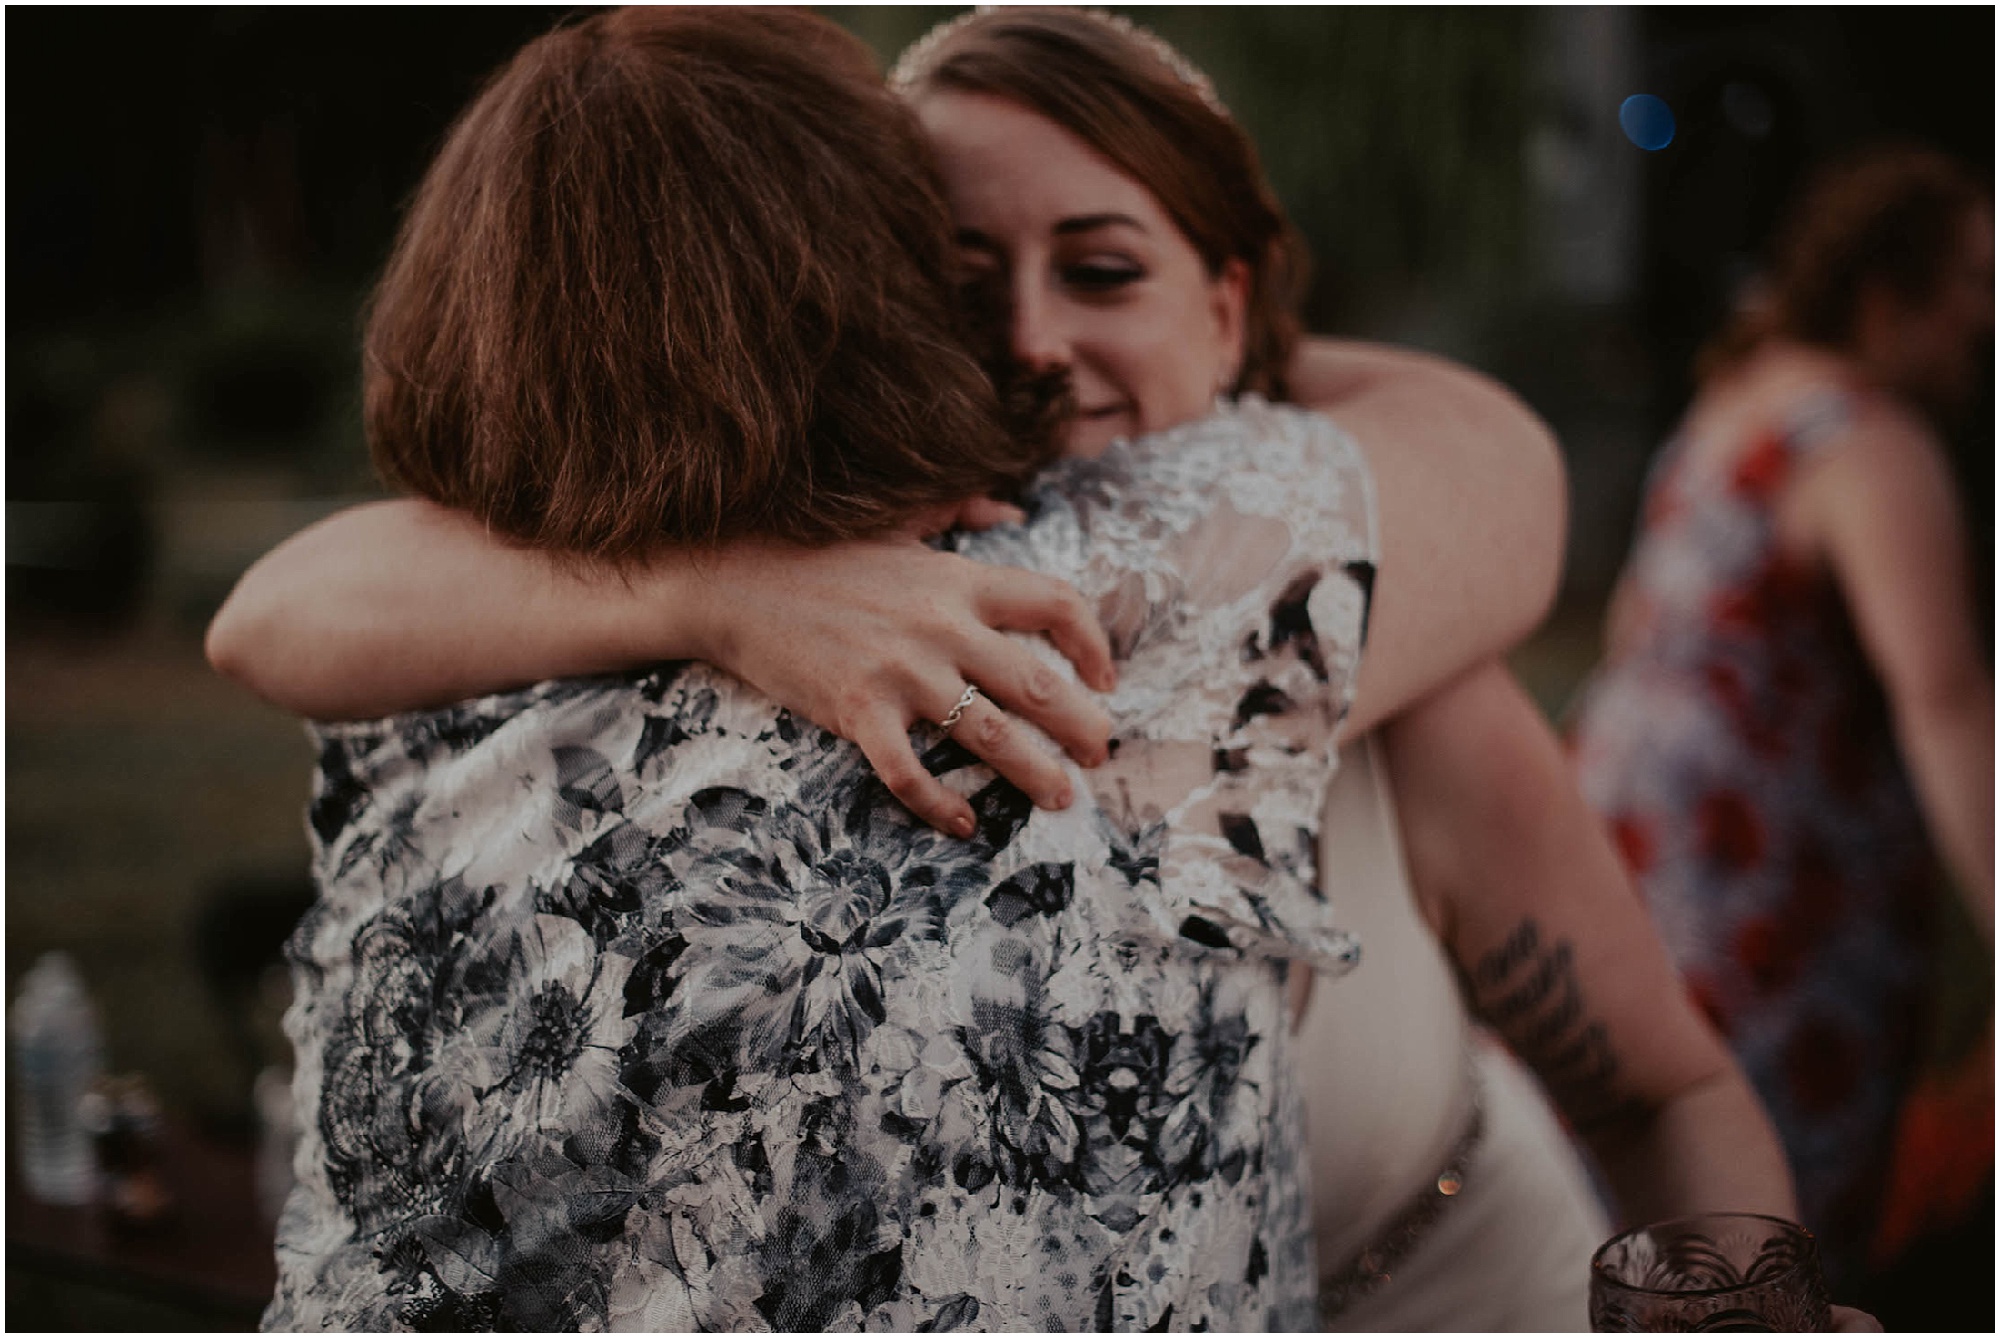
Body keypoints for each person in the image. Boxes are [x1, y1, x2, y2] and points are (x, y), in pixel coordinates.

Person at [214, 10, 1809, 1329]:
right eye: (966, 288)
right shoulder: (712, 624)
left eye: (1106, 271)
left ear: (1235, 304)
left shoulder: (1307, 607)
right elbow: (288, 600)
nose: (1036, 344)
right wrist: (734, 587)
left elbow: (1663, 1083)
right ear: (879, 311)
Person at [1568, 143, 1994, 1292]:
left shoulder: (1740, 394)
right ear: (1883, 286)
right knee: (1763, 1220)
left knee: (1642, 1207)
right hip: (1764, 904)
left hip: (1631, 860)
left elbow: (1628, 633)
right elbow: (1946, 697)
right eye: (1968, 279)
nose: (1983, 315)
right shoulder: (1866, 441)